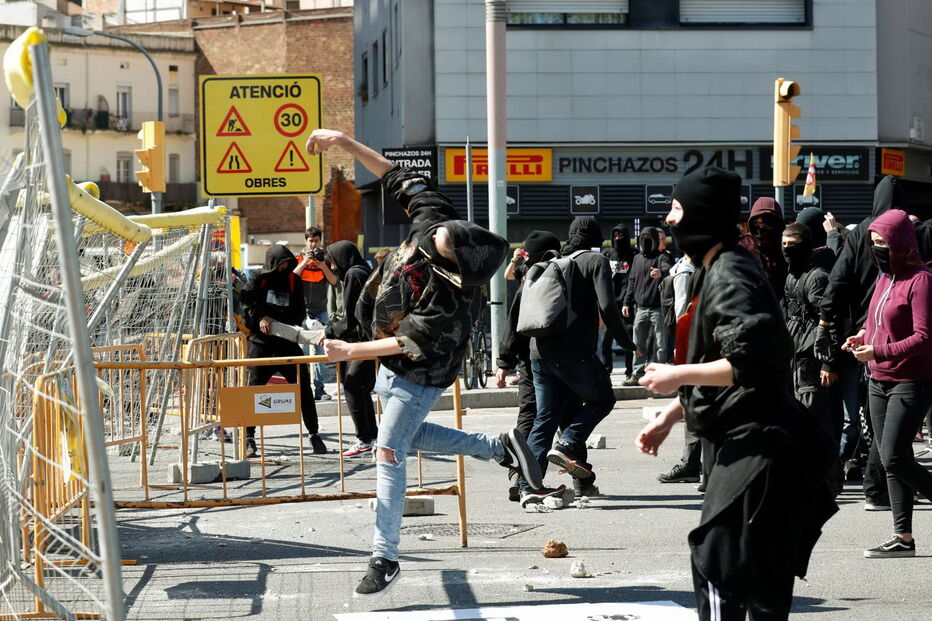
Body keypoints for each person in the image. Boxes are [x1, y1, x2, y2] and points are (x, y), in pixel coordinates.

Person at [307, 128, 546, 599]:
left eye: (443, 239)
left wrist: (346, 353)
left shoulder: (449, 302)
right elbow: (395, 174)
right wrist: (344, 142)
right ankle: (502, 448)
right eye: (443, 230)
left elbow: (403, 343)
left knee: (389, 452)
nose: (436, 232)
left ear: (452, 260)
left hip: (420, 374)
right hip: (395, 369)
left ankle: (385, 555)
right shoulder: (438, 219)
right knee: (407, 436)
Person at [636, 167, 837, 621]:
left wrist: (675, 372)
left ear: (701, 214)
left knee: (722, 567)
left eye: (676, 208)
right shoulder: (721, 266)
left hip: (761, 451)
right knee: (752, 576)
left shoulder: (728, 272)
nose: (669, 219)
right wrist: (670, 414)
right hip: (758, 447)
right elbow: (730, 362)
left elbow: (754, 361)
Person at [518, 216, 637, 502]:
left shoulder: (554, 260)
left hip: (540, 352)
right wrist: (626, 343)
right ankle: (568, 443)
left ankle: (528, 485)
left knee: (545, 418)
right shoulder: (594, 262)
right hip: (574, 353)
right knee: (603, 399)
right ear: (596, 238)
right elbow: (608, 306)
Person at [841, 208, 932, 558]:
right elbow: (877, 316)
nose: (878, 249)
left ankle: (904, 534)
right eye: (874, 243)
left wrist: (878, 351)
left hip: (911, 379)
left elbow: (925, 337)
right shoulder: (885, 277)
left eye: (884, 243)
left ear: (902, 243)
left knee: (893, 457)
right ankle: (903, 537)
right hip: (878, 379)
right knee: (891, 456)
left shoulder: (921, 279)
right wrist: (863, 334)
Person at [495, 230, 573, 502]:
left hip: (531, 361)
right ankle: (573, 476)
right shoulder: (565, 273)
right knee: (562, 414)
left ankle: (521, 477)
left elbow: (513, 326)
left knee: (530, 415)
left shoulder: (529, 280)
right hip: (563, 359)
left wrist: (505, 362)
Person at [240, 245, 326, 457]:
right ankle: (249, 438)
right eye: (280, 265)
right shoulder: (258, 278)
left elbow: (299, 312)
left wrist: (282, 325)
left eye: (287, 264)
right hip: (261, 344)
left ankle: (314, 434)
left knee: (303, 386)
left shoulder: (293, 280)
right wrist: (261, 317)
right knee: (253, 391)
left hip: (287, 342)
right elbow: (245, 302)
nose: (284, 268)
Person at [781, 222, 843, 492]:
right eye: (783, 244)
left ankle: (829, 480)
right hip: (794, 360)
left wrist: (829, 362)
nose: (786, 250)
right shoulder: (793, 273)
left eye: (791, 245)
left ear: (805, 245)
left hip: (811, 361)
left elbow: (831, 319)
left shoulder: (816, 276)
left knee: (817, 423)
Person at [324, 241, 378, 458]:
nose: (334, 267)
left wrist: (330, 331)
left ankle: (365, 439)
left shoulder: (355, 275)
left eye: (333, 262)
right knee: (361, 388)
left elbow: (350, 316)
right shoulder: (365, 270)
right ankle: (372, 437)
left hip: (364, 342)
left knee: (353, 386)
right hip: (372, 339)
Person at [656, 253, 703, 486]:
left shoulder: (687, 269)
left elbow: (682, 311)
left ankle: (693, 464)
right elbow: (683, 311)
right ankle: (693, 463)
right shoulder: (687, 269)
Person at [623, 226, 672, 384]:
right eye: (642, 237)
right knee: (638, 344)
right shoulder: (637, 258)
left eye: (648, 238)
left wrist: (661, 273)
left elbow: (669, 270)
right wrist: (626, 302)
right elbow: (631, 281)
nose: (644, 241)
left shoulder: (661, 257)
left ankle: (659, 374)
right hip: (641, 309)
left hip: (658, 308)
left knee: (660, 344)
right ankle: (637, 374)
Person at [295, 227, 336, 401]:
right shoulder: (298, 258)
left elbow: (334, 280)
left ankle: (319, 388)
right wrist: (304, 262)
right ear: (306, 242)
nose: (313, 244)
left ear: (321, 241)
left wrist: (322, 265)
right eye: (311, 241)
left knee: (321, 351)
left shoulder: (324, 259)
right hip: (301, 312)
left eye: (316, 241)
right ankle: (302, 389)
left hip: (320, 311)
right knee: (302, 351)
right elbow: (291, 277)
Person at [600, 223, 635, 377]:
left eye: (621, 236)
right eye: (615, 236)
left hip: (627, 304)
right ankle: (606, 369)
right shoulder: (607, 254)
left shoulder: (633, 254)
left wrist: (627, 301)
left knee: (628, 337)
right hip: (609, 303)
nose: (618, 238)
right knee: (606, 339)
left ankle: (629, 370)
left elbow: (633, 280)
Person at [745, 197, 787, 297]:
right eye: (758, 223)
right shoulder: (744, 247)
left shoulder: (786, 248)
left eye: (769, 222)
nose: (763, 227)